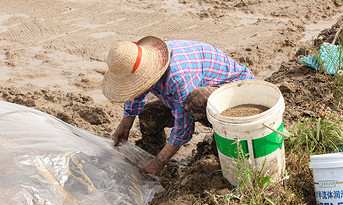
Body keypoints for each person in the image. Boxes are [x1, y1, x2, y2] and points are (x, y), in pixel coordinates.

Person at [102, 36, 255, 175]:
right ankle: (150, 156)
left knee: (196, 101)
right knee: (149, 115)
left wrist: (160, 161)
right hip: (195, 94)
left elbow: (184, 128)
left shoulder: (178, 76)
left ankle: (222, 145)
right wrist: (125, 124)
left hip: (238, 97)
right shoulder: (146, 64)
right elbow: (136, 91)